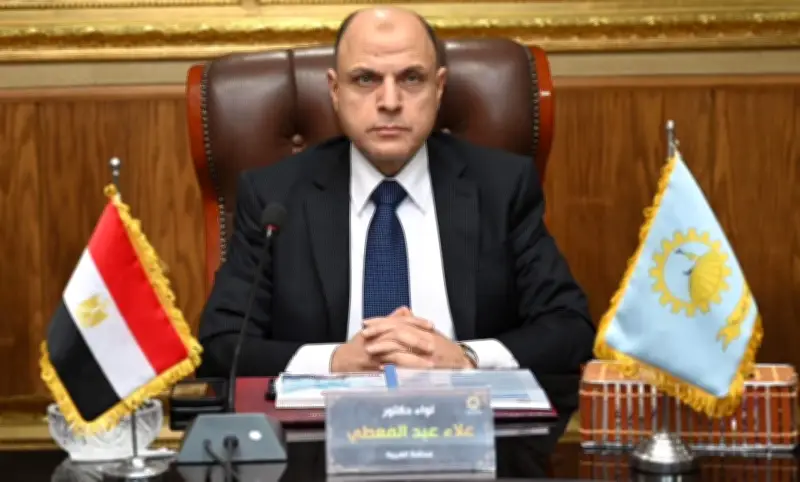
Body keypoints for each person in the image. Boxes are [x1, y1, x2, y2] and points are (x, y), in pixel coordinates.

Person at [199, 6, 595, 477]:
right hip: (318, 460)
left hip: (474, 454)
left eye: (411, 78)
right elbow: (222, 344)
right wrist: (335, 360)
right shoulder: (276, 196)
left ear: (439, 88)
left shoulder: (501, 187)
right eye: (365, 79)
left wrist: (465, 358)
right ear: (335, 90)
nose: (389, 101)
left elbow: (569, 327)